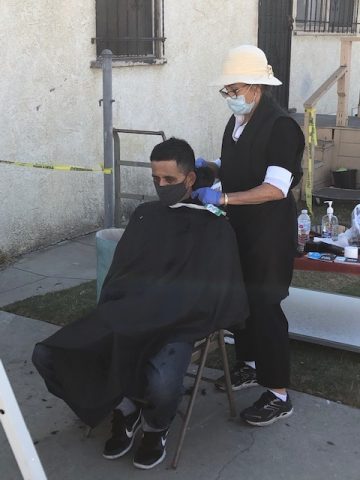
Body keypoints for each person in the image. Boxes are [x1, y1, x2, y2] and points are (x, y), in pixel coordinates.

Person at [32, 137, 249, 470]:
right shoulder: (146, 215)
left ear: (190, 179)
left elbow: (216, 289)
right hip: (129, 313)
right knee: (52, 354)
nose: (161, 186)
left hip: (178, 320)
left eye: (169, 180)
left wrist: (173, 310)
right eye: (155, 179)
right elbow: (121, 273)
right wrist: (123, 306)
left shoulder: (214, 225)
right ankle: (125, 408)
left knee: (161, 381)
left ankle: (155, 427)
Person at [192, 45, 305, 427]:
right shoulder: (236, 123)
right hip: (238, 227)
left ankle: (278, 392)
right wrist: (208, 167)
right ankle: (250, 364)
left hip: (269, 233)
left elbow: (275, 187)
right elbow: (237, 164)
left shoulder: (281, 127)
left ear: (257, 87)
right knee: (241, 300)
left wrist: (223, 196)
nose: (230, 96)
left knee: (266, 306)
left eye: (234, 88)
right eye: (226, 90)